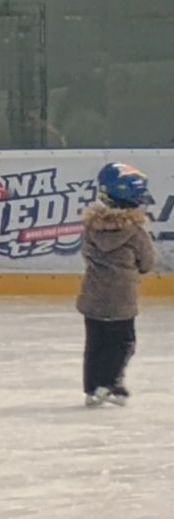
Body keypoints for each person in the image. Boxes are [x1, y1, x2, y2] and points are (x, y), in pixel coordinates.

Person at [78, 161, 156, 408]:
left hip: (92, 298)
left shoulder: (90, 228)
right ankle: (109, 383)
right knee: (123, 344)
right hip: (121, 301)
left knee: (96, 344)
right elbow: (147, 263)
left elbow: (86, 254)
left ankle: (93, 388)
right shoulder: (136, 233)